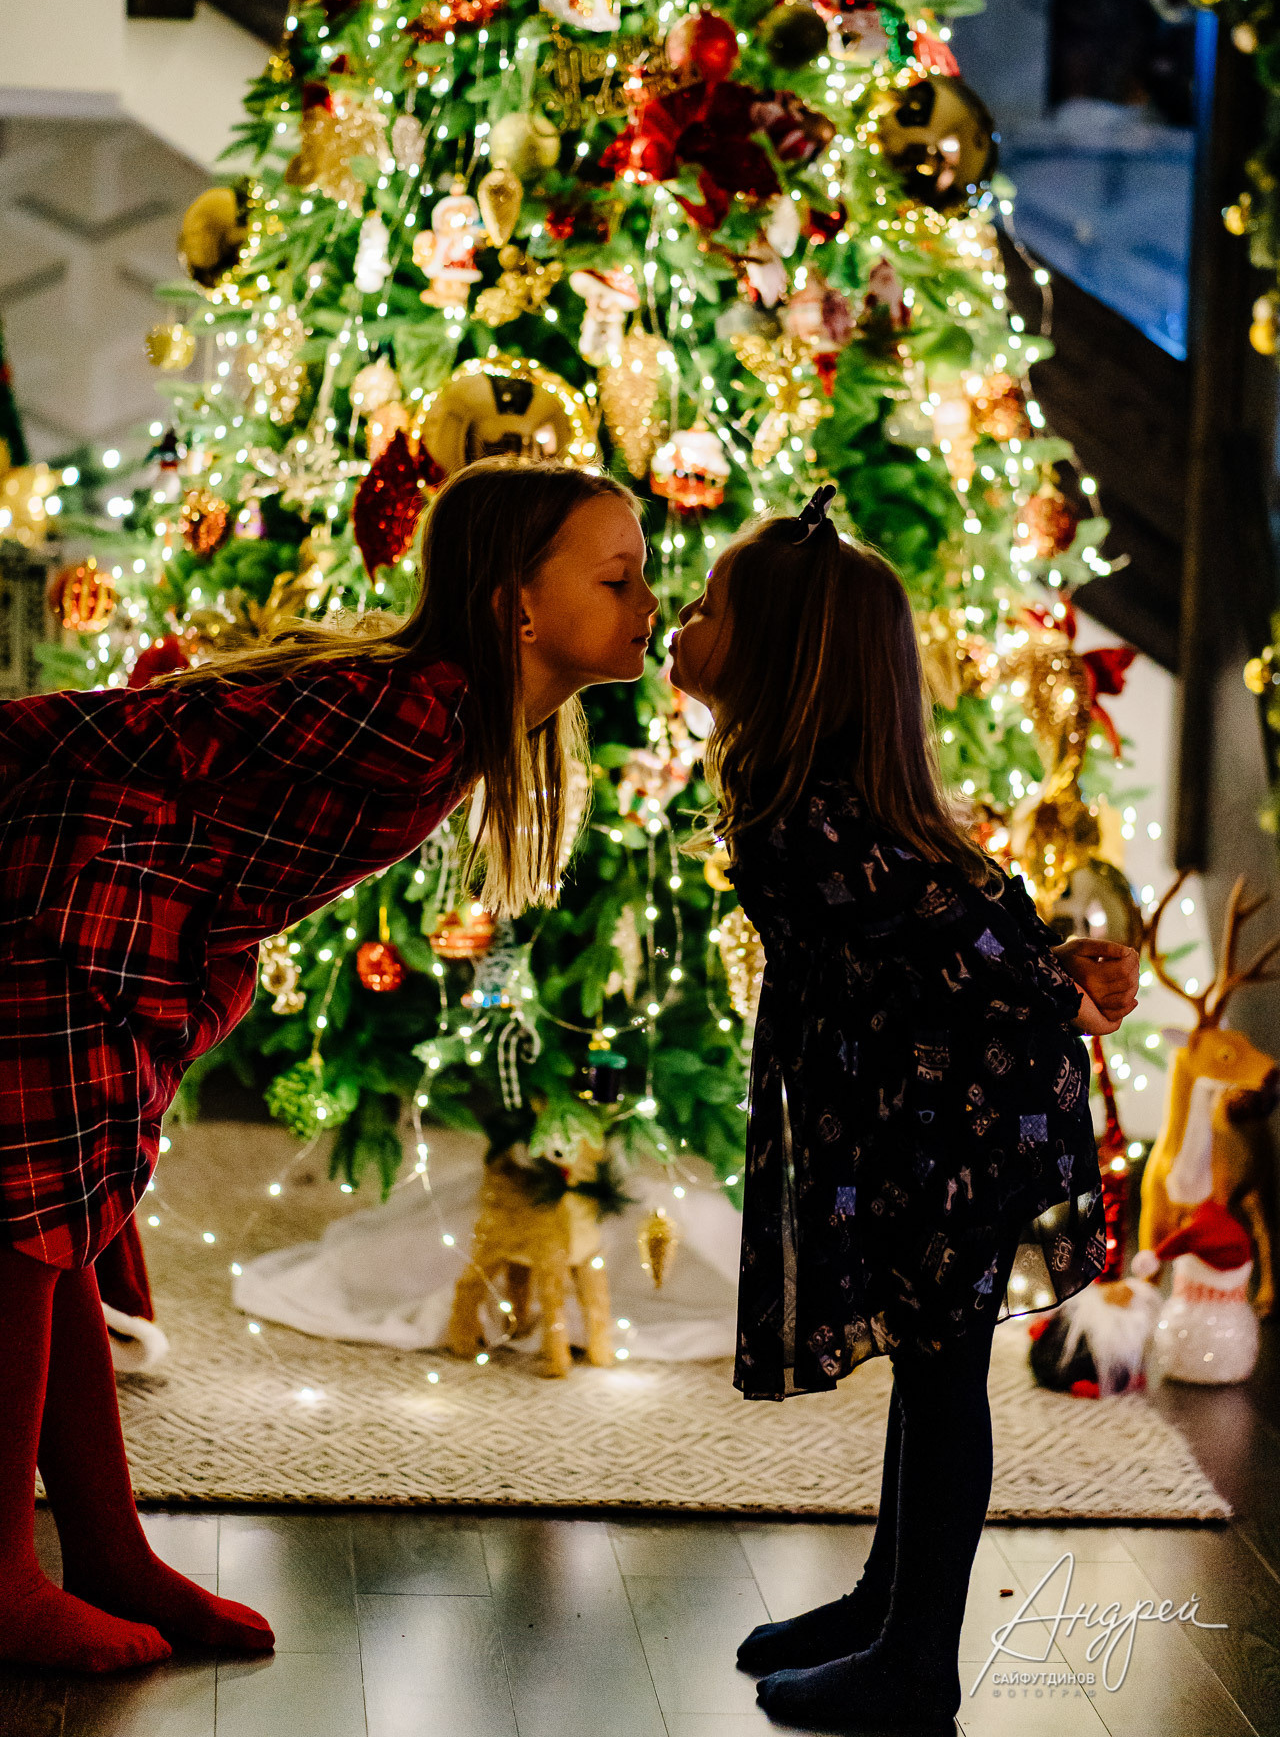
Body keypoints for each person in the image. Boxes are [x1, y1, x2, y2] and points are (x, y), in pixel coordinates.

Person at [0, 456, 658, 1674]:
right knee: (25, 1239)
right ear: (516, 600)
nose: (650, 603)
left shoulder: (470, 723)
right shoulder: (416, 709)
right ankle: (2, 1582)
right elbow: (164, 723)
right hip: (77, 916)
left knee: (63, 1231)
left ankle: (104, 1548)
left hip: (145, 940)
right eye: (618, 578)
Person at [670, 485, 1138, 1734]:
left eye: (707, 605)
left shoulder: (818, 819)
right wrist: (1051, 968)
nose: (680, 616)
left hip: (962, 1134)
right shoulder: (802, 794)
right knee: (924, 1374)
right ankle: (886, 1604)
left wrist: (1061, 980)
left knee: (939, 1382)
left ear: (773, 656)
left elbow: (968, 941)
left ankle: (915, 1660)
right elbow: (956, 927)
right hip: (916, 1122)